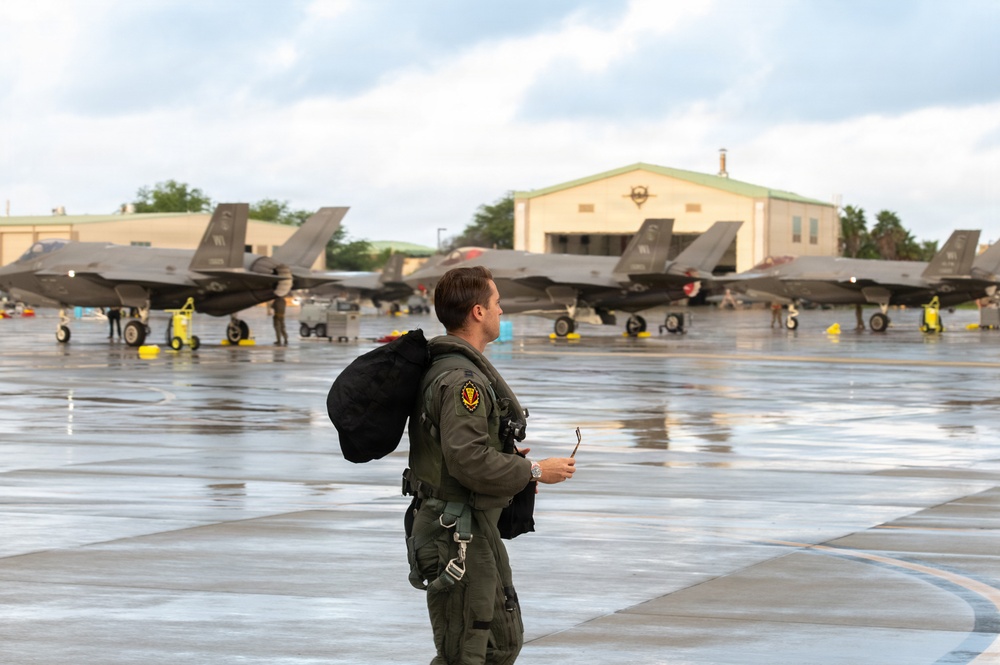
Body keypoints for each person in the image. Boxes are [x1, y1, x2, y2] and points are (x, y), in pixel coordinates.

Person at [405, 266, 576, 665]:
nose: (503, 310)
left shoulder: (449, 369)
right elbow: (467, 460)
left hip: (469, 526)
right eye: (497, 303)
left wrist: (505, 459)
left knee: (494, 643)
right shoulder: (464, 382)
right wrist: (535, 471)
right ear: (478, 312)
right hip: (456, 532)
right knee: (470, 649)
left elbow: (458, 452)